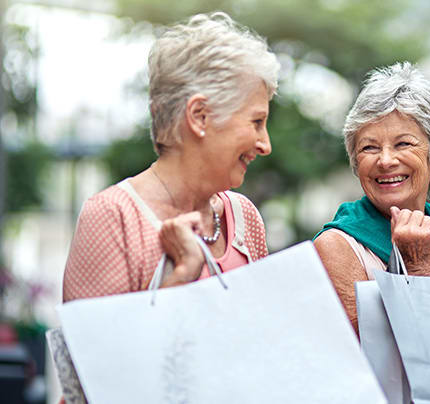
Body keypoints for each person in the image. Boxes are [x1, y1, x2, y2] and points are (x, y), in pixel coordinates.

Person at [63, 12, 280, 302]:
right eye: (256, 122)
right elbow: (98, 347)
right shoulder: (113, 217)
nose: (265, 144)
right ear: (199, 116)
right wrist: (182, 275)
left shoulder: (244, 216)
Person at [314, 62, 430, 334]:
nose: (385, 161)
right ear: (355, 161)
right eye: (369, 147)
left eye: (403, 144)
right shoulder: (337, 247)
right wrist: (417, 269)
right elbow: (357, 359)